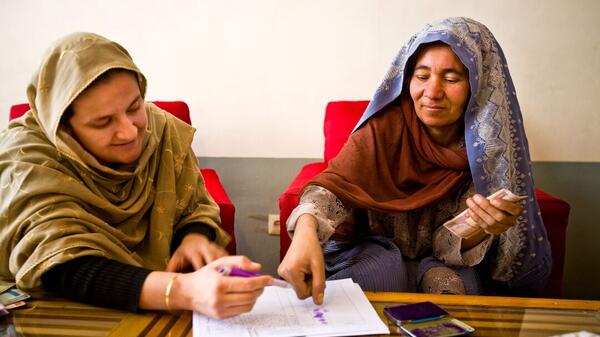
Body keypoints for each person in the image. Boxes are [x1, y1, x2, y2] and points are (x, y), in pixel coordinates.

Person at [278, 17, 552, 304]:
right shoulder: (383, 128)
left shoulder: (486, 150)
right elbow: (333, 188)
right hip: (371, 249)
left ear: (477, 85)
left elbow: (446, 248)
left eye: (451, 78)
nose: (432, 92)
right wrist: (306, 229)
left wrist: (482, 227)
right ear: (406, 79)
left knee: (454, 288)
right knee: (383, 272)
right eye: (422, 77)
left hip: (445, 260)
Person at [0, 32, 272, 318]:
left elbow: (193, 206)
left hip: (152, 305)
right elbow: (58, 261)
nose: (130, 132)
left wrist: (193, 237)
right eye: (103, 122)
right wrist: (182, 290)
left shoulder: (162, 131)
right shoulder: (25, 160)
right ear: (64, 128)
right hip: (53, 312)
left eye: (134, 107)